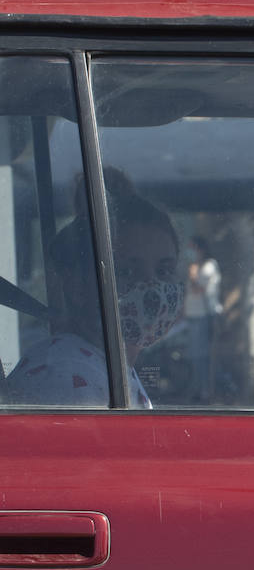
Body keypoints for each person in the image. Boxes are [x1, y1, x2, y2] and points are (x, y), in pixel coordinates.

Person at [9, 170, 183, 407]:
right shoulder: (66, 379)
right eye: (126, 272)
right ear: (77, 285)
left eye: (163, 271)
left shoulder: (110, 370)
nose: (152, 288)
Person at [183, 234, 222, 402]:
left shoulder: (209, 266)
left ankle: (205, 390)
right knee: (194, 354)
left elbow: (199, 289)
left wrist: (193, 273)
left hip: (203, 315)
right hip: (192, 315)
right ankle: (198, 387)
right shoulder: (196, 266)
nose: (190, 252)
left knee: (201, 355)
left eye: (193, 248)